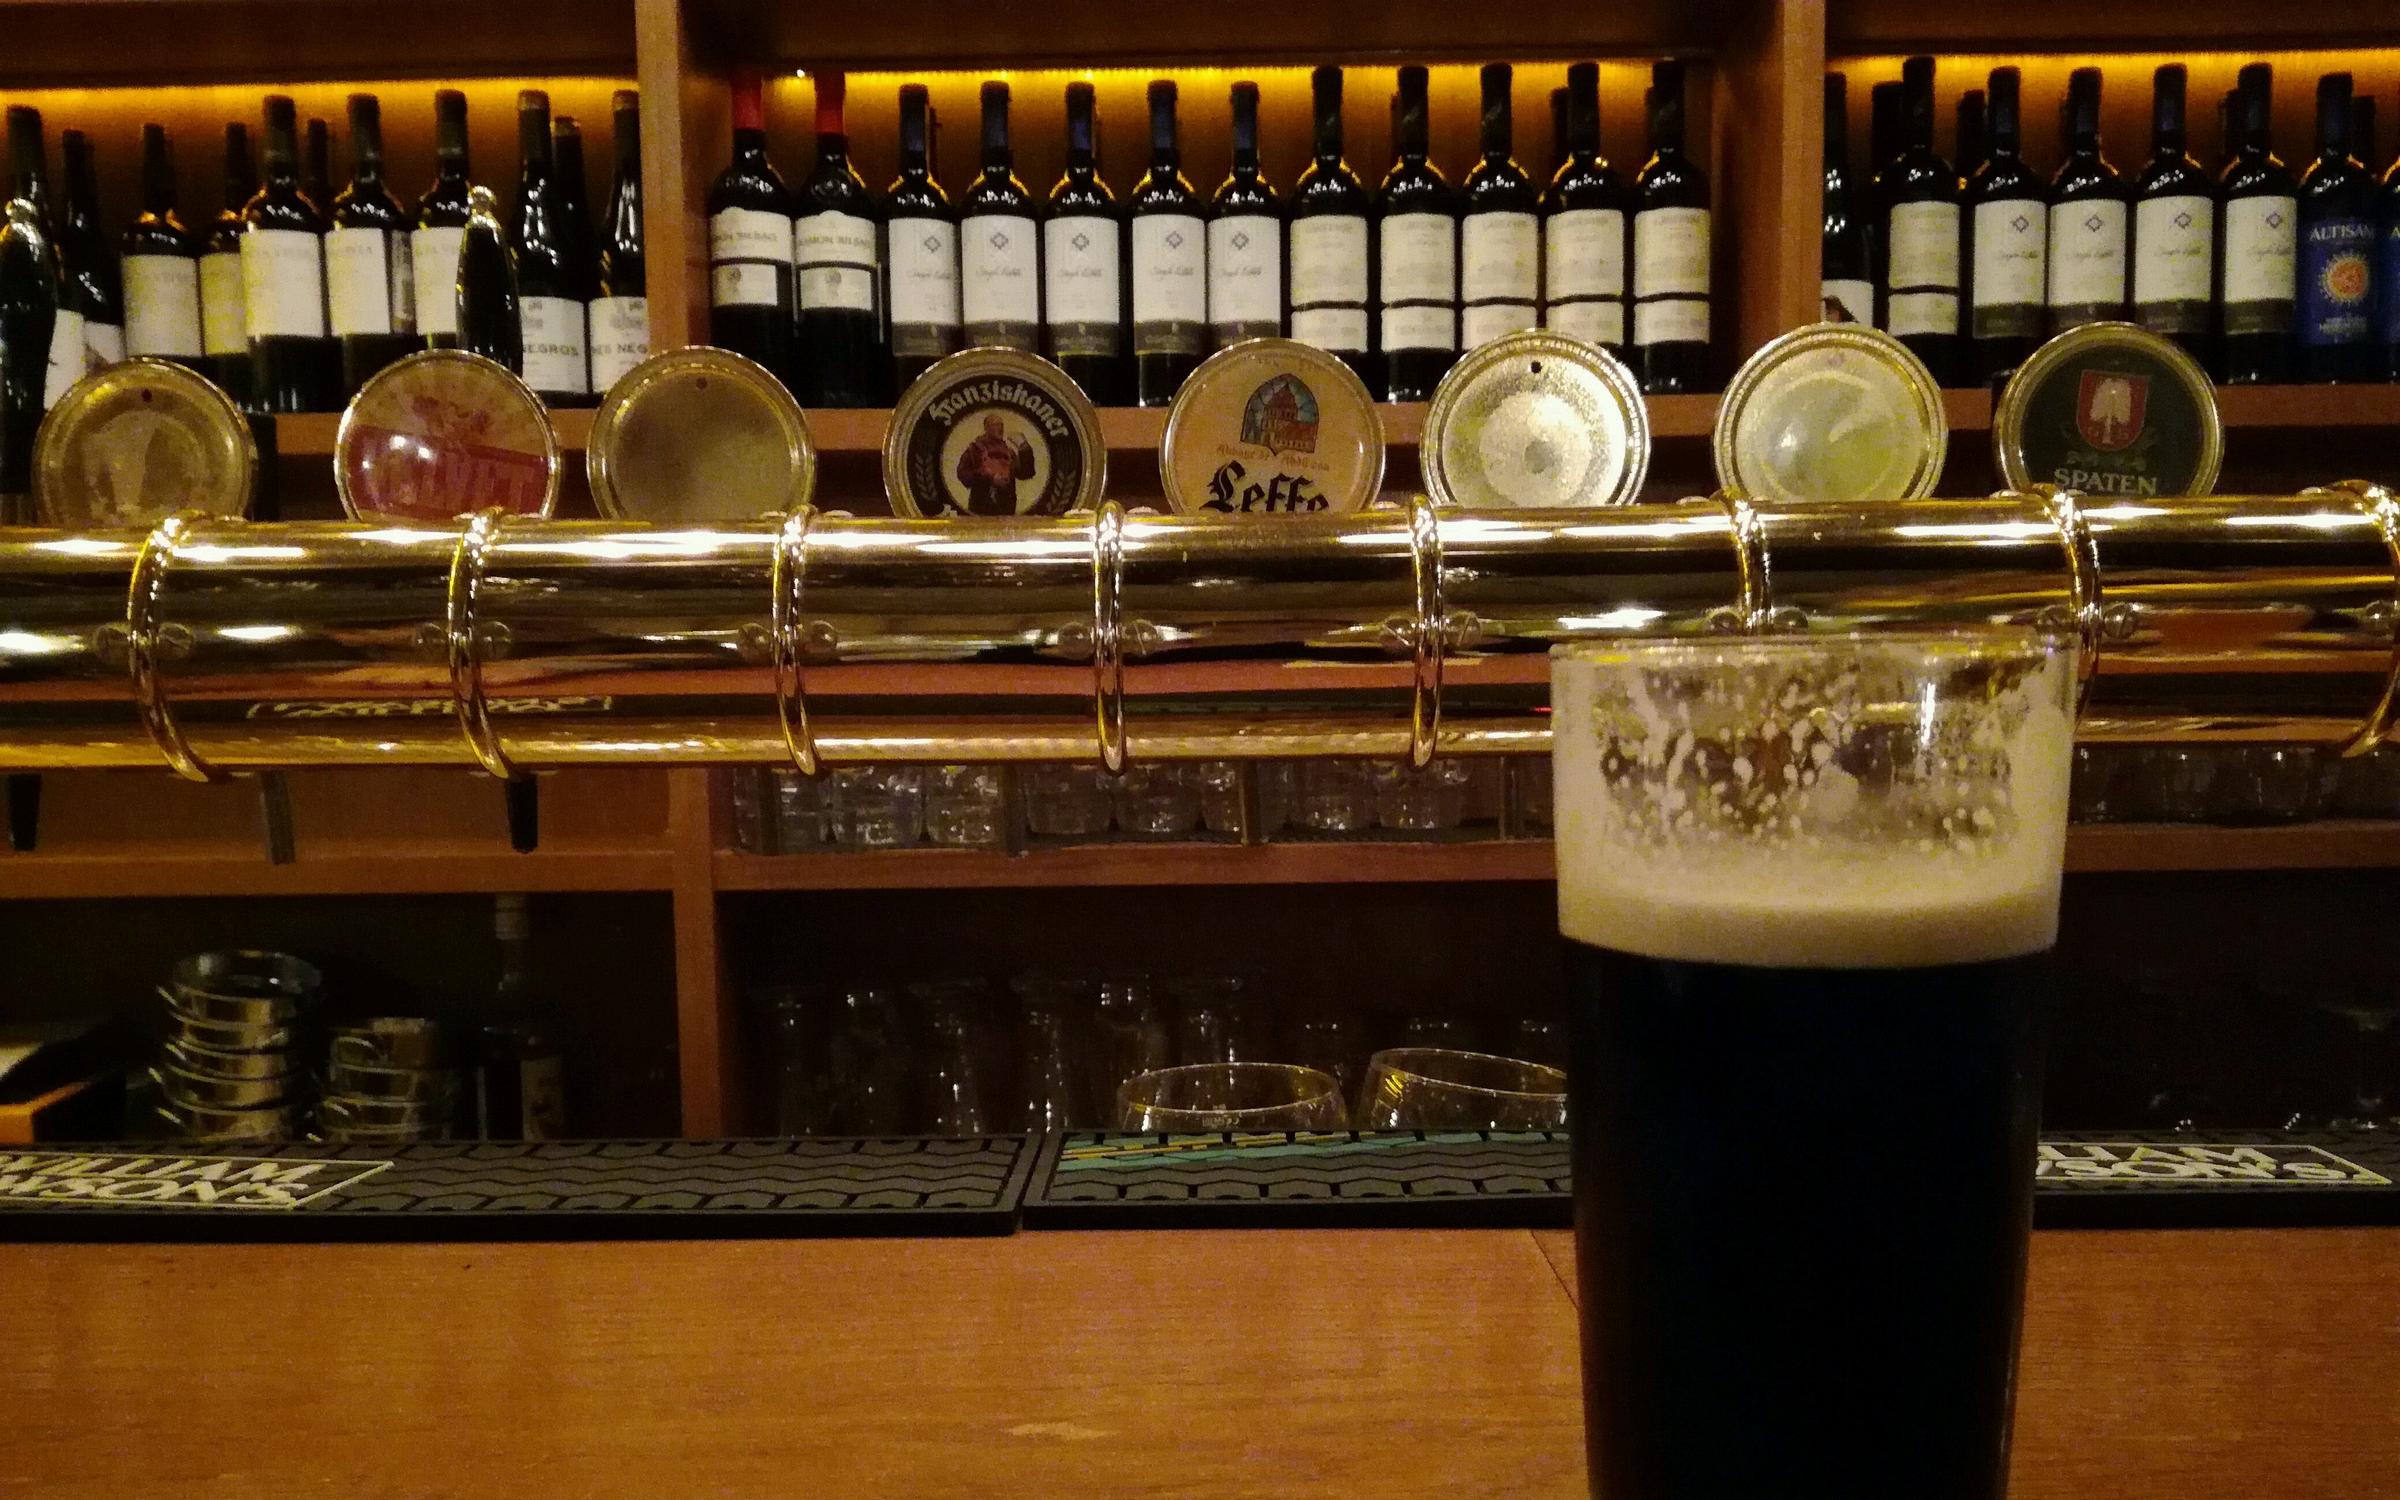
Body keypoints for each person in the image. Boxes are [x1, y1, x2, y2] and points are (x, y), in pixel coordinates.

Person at [954, 411, 1036, 515]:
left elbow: (1025, 473)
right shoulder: (974, 450)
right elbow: (963, 474)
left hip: (1006, 508)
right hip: (980, 507)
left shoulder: (1008, 452)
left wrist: (1024, 449)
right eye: (995, 424)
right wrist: (989, 479)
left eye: (1001, 425)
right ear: (986, 428)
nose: (1000, 428)